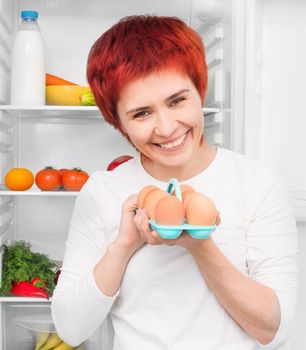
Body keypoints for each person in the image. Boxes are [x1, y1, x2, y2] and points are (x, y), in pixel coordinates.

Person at [51, 15, 298, 350]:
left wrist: (201, 246)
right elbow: (70, 328)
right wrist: (123, 245)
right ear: (119, 123)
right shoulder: (103, 191)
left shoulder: (255, 182)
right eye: (141, 113)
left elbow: (274, 330)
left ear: (200, 91)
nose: (166, 128)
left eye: (177, 100)